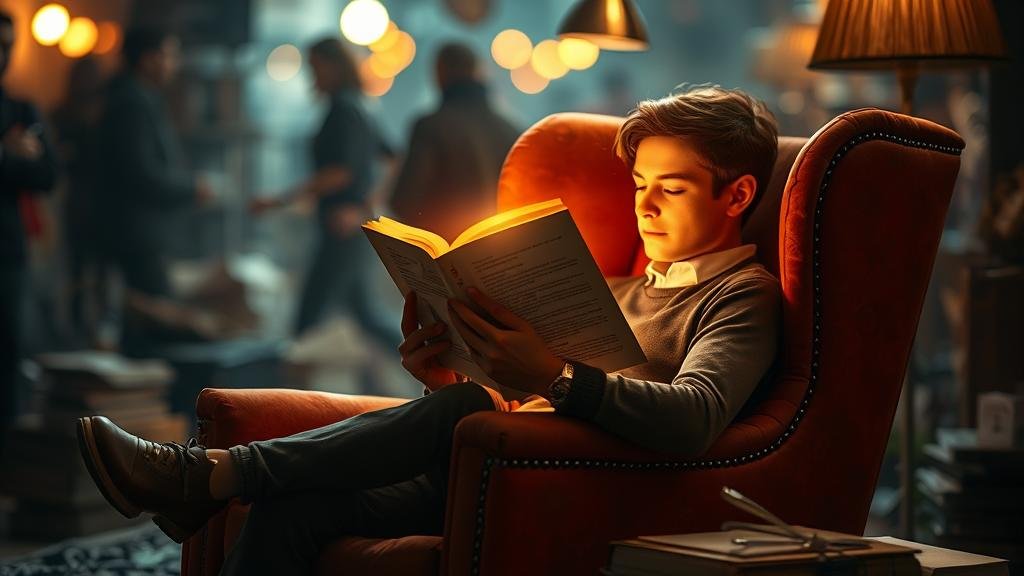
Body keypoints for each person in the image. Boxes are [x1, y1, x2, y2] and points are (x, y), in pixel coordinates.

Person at [77, 86, 781, 573]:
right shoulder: (619, 288)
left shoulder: (741, 298)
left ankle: (209, 476)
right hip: (492, 467)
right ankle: (221, 481)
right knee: (289, 510)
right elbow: (514, 400)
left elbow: (694, 417)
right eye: (638, 186)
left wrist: (549, 377)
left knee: (469, 408)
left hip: (577, 487)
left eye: (674, 188)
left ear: (738, 195)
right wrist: (446, 373)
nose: (645, 207)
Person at [249, 38, 399, 348]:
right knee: (365, 313)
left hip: (342, 229)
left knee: (309, 316)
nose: (311, 75)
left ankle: (287, 390)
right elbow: (393, 159)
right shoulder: (359, 104)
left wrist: (281, 199)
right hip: (350, 226)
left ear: (333, 67)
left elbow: (341, 173)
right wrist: (367, 208)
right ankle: (432, 365)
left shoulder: (345, 108)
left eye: (315, 67)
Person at [97, 27, 211, 299]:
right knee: (153, 311)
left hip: (140, 229)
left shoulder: (140, 97)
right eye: (169, 55)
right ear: (148, 59)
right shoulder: (131, 102)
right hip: (136, 232)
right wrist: (190, 188)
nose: (174, 63)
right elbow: (140, 171)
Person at [389, 42, 520, 241]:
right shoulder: (513, 129)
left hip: (448, 254)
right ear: (479, 72)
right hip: (504, 252)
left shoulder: (431, 127)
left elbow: (405, 202)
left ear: (439, 75)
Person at [0, 10, 57, 454]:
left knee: (9, 351)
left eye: (7, 46)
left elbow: (46, 175)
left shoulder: (20, 107)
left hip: (8, 248)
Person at [53, 56, 106, 343]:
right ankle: (78, 329)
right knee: (78, 268)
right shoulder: (65, 113)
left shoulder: (104, 112)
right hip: (82, 199)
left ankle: (94, 328)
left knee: (97, 271)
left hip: (96, 199)